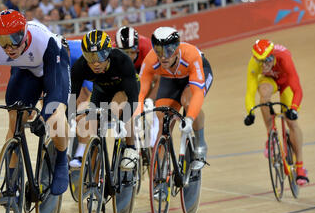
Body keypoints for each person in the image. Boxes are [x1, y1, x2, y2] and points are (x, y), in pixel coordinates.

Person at [0, 9, 71, 195]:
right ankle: (12, 182)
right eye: (3, 42)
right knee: (15, 117)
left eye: (13, 41)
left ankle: (61, 162)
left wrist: (42, 119)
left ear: (24, 34)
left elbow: (55, 92)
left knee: (56, 115)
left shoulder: (45, 42)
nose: (8, 48)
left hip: (54, 67)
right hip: (27, 71)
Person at [136, 27, 213, 160]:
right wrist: (136, 116)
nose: (164, 56)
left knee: (188, 102)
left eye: (169, 50)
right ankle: (160, 171)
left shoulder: (191, 55)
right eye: (159, 50)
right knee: (162, 118)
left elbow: (197, 93)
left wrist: (189, 119)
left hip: (195, 74)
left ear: (177, 49)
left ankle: (200, 142)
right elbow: (140, 94)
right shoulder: (150, 60)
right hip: (171, 79)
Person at [69, 29, 140, 170]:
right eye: (90, 57)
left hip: (124, 90)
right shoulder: (80, 66)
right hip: (101, 91)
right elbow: (72, 96)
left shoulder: (121, 60)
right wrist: (70, 117)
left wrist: (122, 119)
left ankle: (131, 148)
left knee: (116, 107)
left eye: (100, 56)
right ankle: (92, 164)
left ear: (108, 53)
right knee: (89, 121)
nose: (95, 63)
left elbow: (132, 98)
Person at [243, 39, 309, 186]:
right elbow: (250, 91)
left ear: (272, 56)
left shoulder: (284, 58)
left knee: (291, 122)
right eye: (260, 61)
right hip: (268, 81)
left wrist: (294, 108)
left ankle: (300, 167)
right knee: (264, 95)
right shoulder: (254, 64)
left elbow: (297, 88)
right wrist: (250, 112)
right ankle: (270, 138)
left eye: (267, 60)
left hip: (285, 83)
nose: (264, 65)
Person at [115, 26, 159, 156]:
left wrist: (150, 100)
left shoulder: (147, 48)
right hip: (125, 73)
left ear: (137, 48)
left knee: (150, 109)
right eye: (125, 52)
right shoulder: (112, 51)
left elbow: (158, 79)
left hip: (143, 71)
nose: (128, 56)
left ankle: (152, 142)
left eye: (132, 52)